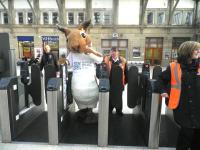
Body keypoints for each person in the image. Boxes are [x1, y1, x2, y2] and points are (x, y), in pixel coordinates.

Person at [158, 41, 200, 150]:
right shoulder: (174, 67)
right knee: (185, 138)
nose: (198, 51)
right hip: (183, 109)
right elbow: (160, 79)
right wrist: (163, 90)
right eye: (196, 49)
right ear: (187, 51)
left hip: (198, 108)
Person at [104, 47, 128, 116]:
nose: (113, 53)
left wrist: (124, 83)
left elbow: (126, 72)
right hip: (110, 83)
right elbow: (102, 69)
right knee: (110, 97)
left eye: (115, 51)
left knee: (119, 97)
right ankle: (109, 110)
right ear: (110, 52)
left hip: (119, 84)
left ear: (118, 53)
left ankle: (119, 110)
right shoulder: (106, 60)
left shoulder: (123, 60)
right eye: (112, 51)